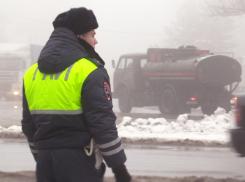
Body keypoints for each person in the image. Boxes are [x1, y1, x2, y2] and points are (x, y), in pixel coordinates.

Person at [21, 7, 131, 182]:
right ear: (79, 36)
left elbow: (29, 125)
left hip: (44, 162)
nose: (96, 41)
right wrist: (119, 167)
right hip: (80, 161)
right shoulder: (90, 71)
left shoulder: (32, 73)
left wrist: (41, 154)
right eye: (92, 35)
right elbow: (102, 124)